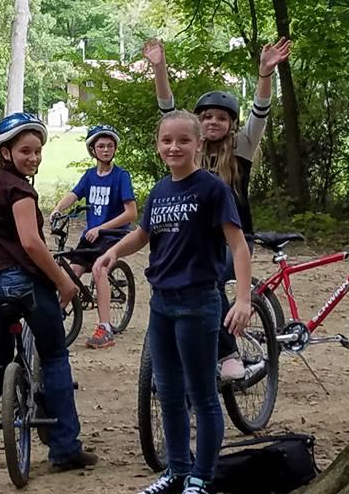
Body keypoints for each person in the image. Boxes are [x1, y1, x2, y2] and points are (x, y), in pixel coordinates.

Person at [97, 111, 251, 494]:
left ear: (198, 144)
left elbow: (238, 245)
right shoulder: (161, 190)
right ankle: (177, 472)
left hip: (198, 302)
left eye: (183, 140)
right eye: (167, 140)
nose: (174, 147)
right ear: (158, 145)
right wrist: (113, 252)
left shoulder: (212, 189)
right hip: (162, 303)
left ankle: (201, 477)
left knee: (201, 394)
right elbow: (143, 234)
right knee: (167, 392)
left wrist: (244, 298)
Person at [0, 112, 97, 473]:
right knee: (53, 357)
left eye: (37, 151)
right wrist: (65, 282)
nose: (33, 158)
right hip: (22, 281)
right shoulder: (21, 190)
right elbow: (32, 243)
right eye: (25, 151)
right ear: (6, 153)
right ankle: (65, 447)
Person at [143, 37, 290, 380]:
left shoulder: (242, 146)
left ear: (231, 124)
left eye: (221, 118)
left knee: (210, 282)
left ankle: (227, 353)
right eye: (206, 117)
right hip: (193, 239)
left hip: (233, 238)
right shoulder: (188, 149)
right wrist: (159, 68)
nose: (212, 123)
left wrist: (265, 74)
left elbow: (260, 111)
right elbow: (168, 109)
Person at [50, 124, 137, 349]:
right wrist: (58, 209)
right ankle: (56, 316)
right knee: (72, 272)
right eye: (101, 146)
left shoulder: (121, 176)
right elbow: (73, 195)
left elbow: (131, 213)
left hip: (115, 234)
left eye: (110, 146)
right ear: (93, 150)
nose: (106, 150)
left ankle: (105, 327)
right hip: (92, 236)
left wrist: (102, 228)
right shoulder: (89, 176)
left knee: (100, 269)